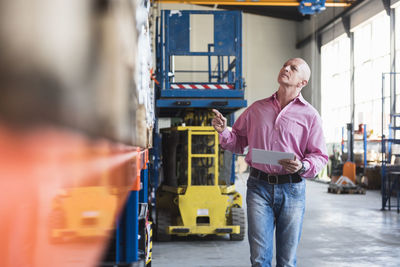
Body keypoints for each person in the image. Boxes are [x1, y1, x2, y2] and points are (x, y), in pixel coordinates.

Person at [212, 58, 328, 267]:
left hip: (292, 189)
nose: (285, 68)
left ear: (303, 82)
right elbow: (238, 142)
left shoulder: (310, 116)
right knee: (259, 259)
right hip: (259, 187)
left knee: (287, 260)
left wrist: (303, 166)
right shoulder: (257, 109)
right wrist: (224, 131)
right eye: (285, 65)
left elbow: (319, 155)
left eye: (293, 68)